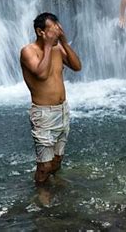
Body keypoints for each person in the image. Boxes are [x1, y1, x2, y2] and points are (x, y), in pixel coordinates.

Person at [20, 12, 82, 185]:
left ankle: (53, 187)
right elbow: (41, 74)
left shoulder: (58, 48)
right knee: (44, 165)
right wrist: (48, 45)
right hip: (44, 113)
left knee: (57, 160)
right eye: (53, 30)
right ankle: (41, 195)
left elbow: (77, 66)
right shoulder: (28, 51)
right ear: (41, 32)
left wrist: (63, 41)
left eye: (58, 29)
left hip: (62, 110)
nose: (57, 33)